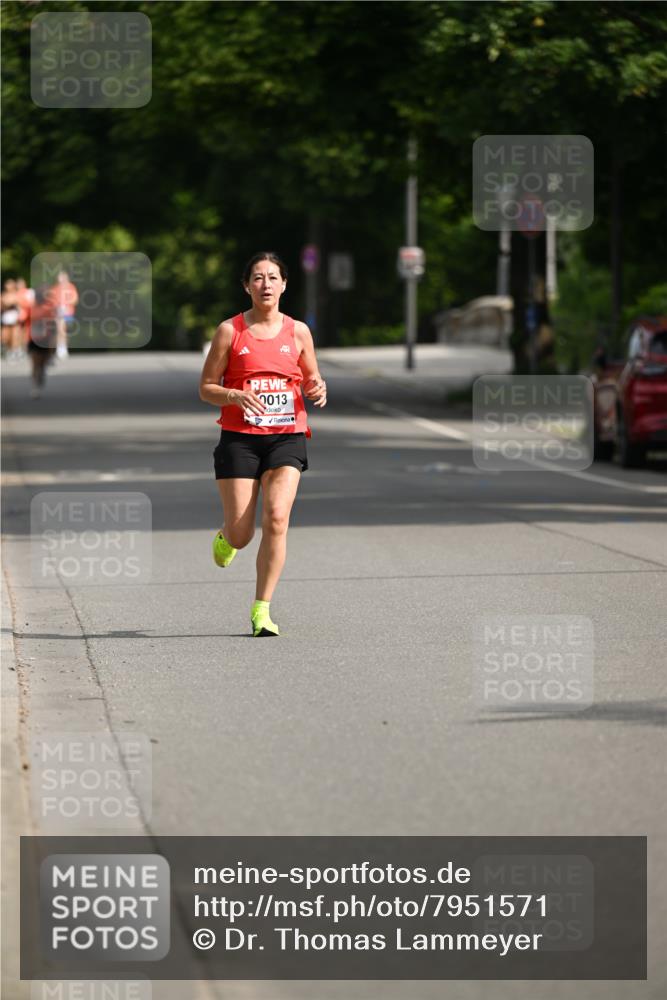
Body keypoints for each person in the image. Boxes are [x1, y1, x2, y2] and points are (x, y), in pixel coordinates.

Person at [199, 252, 327, 637]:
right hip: (240, 439)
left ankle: (262, 609)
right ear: (246, 286)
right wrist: (234, 396)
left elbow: (312, 378)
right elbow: (206, 388)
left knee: (276, 518)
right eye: (258, 278)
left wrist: (317, 387)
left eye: (273, 277)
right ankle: (226, 538)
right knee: (243, 534)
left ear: (285, 284)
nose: (266, 284)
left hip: (286, 437)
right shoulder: (230, 332)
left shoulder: (299, 332)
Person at [26, 287, 57, 398]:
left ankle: (42, 371)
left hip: (44, 339)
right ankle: (35, 387)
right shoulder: (30, 308)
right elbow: (25, 321)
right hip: (33, 338)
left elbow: (53, 324)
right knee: (35, 363)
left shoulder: (48, 309)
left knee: (42, 362)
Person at [48, 269, 78, 359]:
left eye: (63, 277)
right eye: (60, 277)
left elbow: (75, 299)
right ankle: (61, 348)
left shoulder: (71, 287)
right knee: (60, 329)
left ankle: (62, 347)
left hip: (68, 311)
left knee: (63, 330)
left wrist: (67, 304)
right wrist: (56, 308)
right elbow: (51, 301)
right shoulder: (55, 288)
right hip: (58, 312)